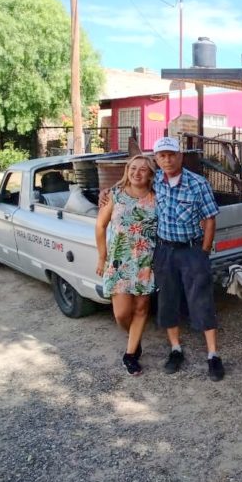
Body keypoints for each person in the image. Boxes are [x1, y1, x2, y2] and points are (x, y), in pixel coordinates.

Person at [152, 136, 224, 381]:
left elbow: (210, 218)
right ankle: (175, 349)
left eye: (171, 154)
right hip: (164, 251)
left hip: (191, 251)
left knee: (201, 300)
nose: (167, 159)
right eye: (162, 155)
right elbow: (130, 185)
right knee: (167, 300)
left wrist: (203, 251)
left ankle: (213, 355)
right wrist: (107, 193)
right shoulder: (156, 182)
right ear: (157, 159)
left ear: (180, 156)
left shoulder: (197, 183)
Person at [95, 155, 158, 376]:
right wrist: (102, 257)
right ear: (127, 170)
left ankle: (130, 354)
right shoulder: (114, 195)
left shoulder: (156, 197)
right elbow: (101, 226)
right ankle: (134, 336)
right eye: (133, 168)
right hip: (119, 261)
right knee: (121, 313)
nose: (136, 173)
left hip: (145, 261)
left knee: (141, 309)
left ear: (150, 174)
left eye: (143, 169)